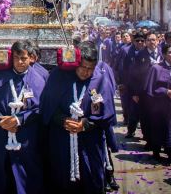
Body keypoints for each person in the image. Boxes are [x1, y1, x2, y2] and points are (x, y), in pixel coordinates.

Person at [40, 41, 116, 194]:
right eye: (82, 67)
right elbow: (47, 106)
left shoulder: (100, 79)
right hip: (62, 138)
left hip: (89, 141)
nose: (85, 72)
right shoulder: (59, 76)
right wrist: (62, 120)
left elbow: (105, 113)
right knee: (62, 178)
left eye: (90, 69)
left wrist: (85, 124)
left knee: (91, 177)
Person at [0, 41, 46, 194]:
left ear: (31, 58)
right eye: (16, 58)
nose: (20, 62)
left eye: (24, 58)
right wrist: (1, 120)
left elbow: (40, 108)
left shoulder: (38, 79)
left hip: (24, 130)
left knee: (25, 167)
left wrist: (18, 120)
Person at [145, 44, 171, 163]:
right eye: (170, 52)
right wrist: (166, 91)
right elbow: (150, 88)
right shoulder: (156, 68)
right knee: (160, 128)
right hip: (161, 106)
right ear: (164, 54)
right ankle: (157, 152)